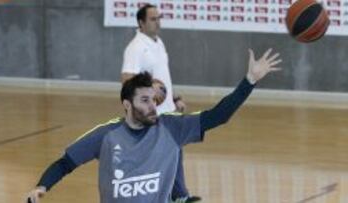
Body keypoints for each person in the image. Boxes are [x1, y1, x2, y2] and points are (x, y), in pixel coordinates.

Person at [26, 48, 282, 203]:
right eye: (145, 100)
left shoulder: (171, 127)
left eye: (155, 99)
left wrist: (249, 80)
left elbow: (219, 116)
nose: (153, 105)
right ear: (127, 104)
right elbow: (65, 163)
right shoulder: (106, 136)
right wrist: (42, 186)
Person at [120, 4, 193, 202]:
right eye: (153, 19)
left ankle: (180, 195)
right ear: (141, 23)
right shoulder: (136, 48)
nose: (158, 22)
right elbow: (127, 80)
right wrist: (145, 99)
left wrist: (174, 97)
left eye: (159, 17)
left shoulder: (157, 42)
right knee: (162, 157)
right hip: (153, 115)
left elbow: (162, 78)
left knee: (175, 152)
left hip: (168, 111)